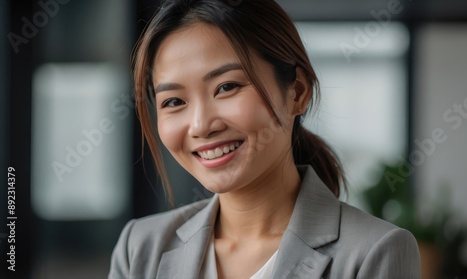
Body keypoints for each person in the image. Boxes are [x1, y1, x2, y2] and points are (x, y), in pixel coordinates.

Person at [109, 0, 421, 278]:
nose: (201, 125)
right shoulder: (140, 248)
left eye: (227, 86)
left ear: (297, 92)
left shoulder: (373, 252)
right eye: (174, 102)